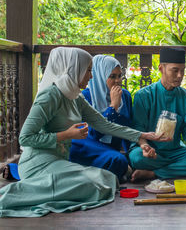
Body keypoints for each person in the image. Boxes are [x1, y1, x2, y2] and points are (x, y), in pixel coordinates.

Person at [0, 47, 165, 217]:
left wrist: (141, 136)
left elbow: (104, 124)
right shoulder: (49, 96)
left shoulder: (76, 97)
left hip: (60, 161)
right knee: (90, 185)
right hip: (39, 163)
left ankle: (50, 189)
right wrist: (65, 135)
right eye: (87, 71)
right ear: (74, 69)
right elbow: (25, 138)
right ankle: (17, 194)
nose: (91, 76)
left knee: (107, 180)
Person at [128, 47, 186, 181]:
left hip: (175, 152)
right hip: (149, 150)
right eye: (175, 70)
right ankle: (177, 169)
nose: (180, 75)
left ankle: (154, 174)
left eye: (182, 70)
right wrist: (146, 147)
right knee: (137, 158)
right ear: (161, 68)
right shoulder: (144, 95)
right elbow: (138, 129)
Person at [69, 55, 156, 183]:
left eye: (119, 76)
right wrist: (113, 106)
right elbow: (93, 133)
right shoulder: (85, 97)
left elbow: (128, 127)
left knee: (133, 158)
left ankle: (117, 171)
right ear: (100, 76)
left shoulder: (124, 95)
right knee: (117, 160)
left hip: (111, 150)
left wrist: (140, 146)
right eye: (112, 76)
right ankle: (120, 172)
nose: (117, 81)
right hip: (90, 146)